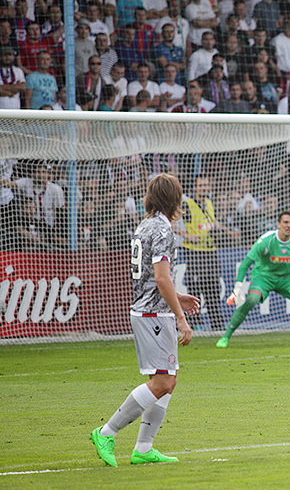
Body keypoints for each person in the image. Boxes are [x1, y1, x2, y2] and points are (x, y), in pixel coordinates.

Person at [90, 174, 200, 467]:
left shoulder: (145, 225)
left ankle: (143, 448)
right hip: (153, 314)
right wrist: (180, 316)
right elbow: (162, 276)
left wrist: (178, 298)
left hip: (152, 309)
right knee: (163, 381)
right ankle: (106, 432)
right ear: (173, 199)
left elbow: (155, 278)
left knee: (167, 381)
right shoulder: (164, 230)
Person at [216, 210, 290, 348]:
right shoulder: (266, 240)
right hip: (263, 277)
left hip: (285, 277)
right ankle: (226, 337)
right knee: (251, 300)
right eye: (285, 222)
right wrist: (237, 288)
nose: (289, 226)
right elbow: (245, 264)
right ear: (278, 224)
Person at [173, 175, 237, 332]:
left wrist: (226, 232)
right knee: (195, 287)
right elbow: (171, 221)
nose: (203, 188)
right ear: (195, 187)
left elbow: (212, 222)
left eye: (206, 185)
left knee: (213, 287)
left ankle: (216, 322)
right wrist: (186, 235)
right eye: (200, 185)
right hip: (194, 252)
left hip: (210, 251)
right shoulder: (187, 204)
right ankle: (195, 322)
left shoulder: (209, 202)